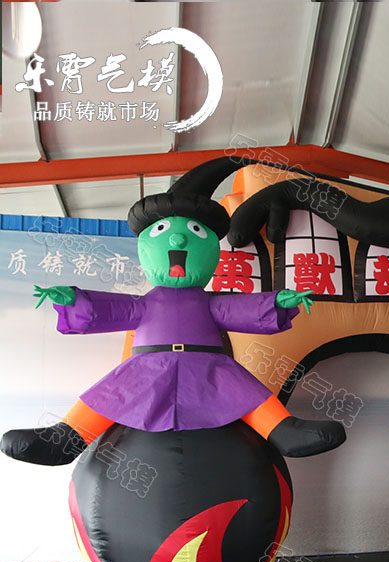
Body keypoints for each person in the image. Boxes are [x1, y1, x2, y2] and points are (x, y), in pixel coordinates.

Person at [0, 157, 345, 465]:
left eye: (193, 232)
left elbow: (239, 309)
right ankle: (65, 439)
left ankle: (283, 430)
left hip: (208, 367)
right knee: (108, 393)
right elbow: (111, 309)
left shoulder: (209, 302)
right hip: (148, 366)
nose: (179, 241)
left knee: (246, 392)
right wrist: (72, 299)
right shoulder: (147, 303)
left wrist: (278, 301)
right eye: (165, 231)